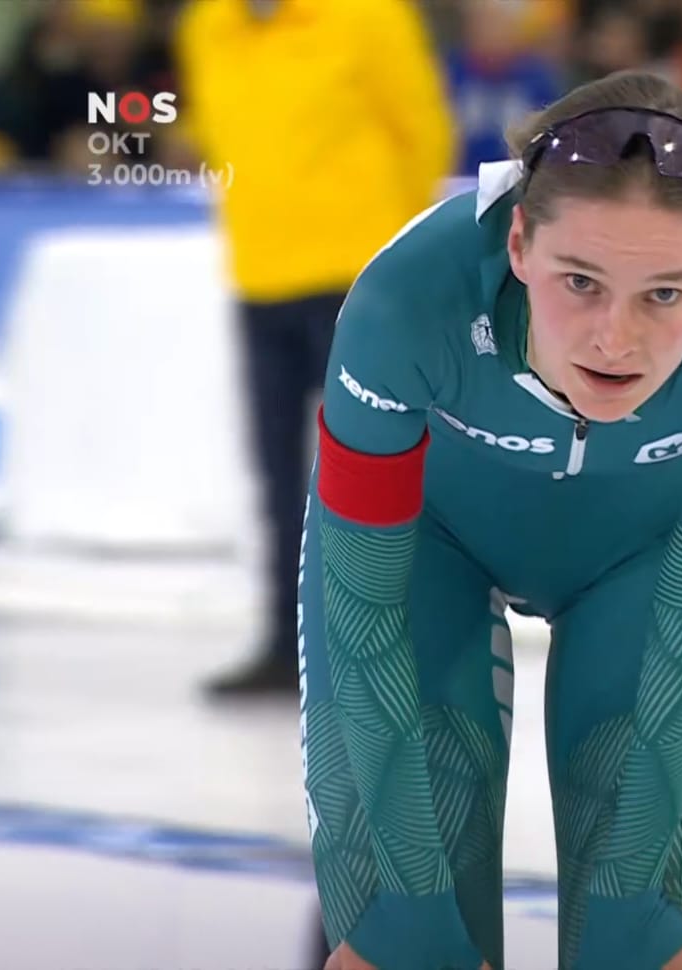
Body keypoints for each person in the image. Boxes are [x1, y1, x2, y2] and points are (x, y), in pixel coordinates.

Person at [300, 71, 682, 970]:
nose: (613, 339)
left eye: (663, 294)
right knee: (407, 944)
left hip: (650, 565)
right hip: (430, 552)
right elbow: (366, 610)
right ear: (517, 242)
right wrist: (405, 914)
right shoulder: (406, 302)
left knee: (650, 945)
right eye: (579, 281)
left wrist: (636, 911)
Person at [174, 0, 457, 699]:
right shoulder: (209, 25)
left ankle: (396, 650)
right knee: (275, 472)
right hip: (259, 273)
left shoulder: (367, 16)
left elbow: (423, 129)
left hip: (357, 274)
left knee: (378, 470)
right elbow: (219, 134)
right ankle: (285, 642)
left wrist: (400, 252)